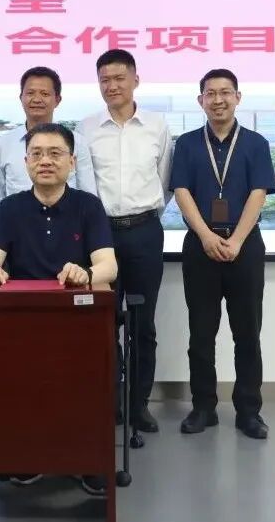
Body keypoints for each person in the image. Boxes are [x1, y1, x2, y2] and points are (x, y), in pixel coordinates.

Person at [0, 123, 117, 497]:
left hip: (77, 319)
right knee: (21, 387)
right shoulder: (11, 208)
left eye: (55, 153)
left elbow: (109, 265)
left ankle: (89, 461)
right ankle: (27, 455)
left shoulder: (88, 206)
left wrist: (86, 274)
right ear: (26, 162)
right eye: (37, 154)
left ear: (72, 161)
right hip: (23, 320)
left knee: (87, 385)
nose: (45, 161)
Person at [170, 68, 275, 440]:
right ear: (200, 100)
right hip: (200, 247)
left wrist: (237, 241)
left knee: (247, 333)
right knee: (201, 334)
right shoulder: (186, 144)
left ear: (237, 97)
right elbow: (181, 191)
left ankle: (249, 411)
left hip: (245, 247)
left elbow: (258, 193)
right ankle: (203, 408)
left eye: (225, 92)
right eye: (211, 93)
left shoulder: (256, 143)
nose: (218, 100)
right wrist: (205, 236)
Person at [77, 49, 173, 434]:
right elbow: (84, 185)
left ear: (135, 80)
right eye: (105, 80)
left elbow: (164, 182)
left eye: (119, 78)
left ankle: (139, 404)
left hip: (145, 231)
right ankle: (111, 401)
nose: (112, 86)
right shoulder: (85, 128)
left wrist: (144, 214)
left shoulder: (156, 126)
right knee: (103, 321)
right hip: (100, 235)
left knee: (142, 324)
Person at [0, 66, 97, 203]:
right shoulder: (4, 144)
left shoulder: (76, 141)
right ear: (21, 98)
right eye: (30, 93)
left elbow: (88, 194)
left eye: (45, 94)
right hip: (18, 217)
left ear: (57, 100)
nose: (37, 99)